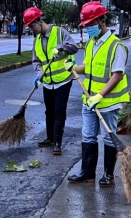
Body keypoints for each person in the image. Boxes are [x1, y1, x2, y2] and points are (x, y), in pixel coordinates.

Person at [65, 1, 129, 186]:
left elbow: (117, 75)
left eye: (91, 24)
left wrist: (100, 96)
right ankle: (87, 172)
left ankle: (108, 175)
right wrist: (75, 68)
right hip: (89, 99)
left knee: (109, 137)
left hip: (107, 101)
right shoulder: (92, 44)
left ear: (102, 21)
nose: (88, 28)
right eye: (86, 25)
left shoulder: (117, 46)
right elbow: (91, 68)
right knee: (88, 135)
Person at [23, 7, 78, 155]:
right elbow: (35, 61)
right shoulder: (37, 40)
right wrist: (39, 74)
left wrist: (60, 48)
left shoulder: (60, 32)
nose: (32, 30)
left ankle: (58, 143)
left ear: (40, 21)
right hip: (47, 81)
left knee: (59, 111)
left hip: (63, 80)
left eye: (32, 26)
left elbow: (74, 47)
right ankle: (50, 138)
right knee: (49, 111)